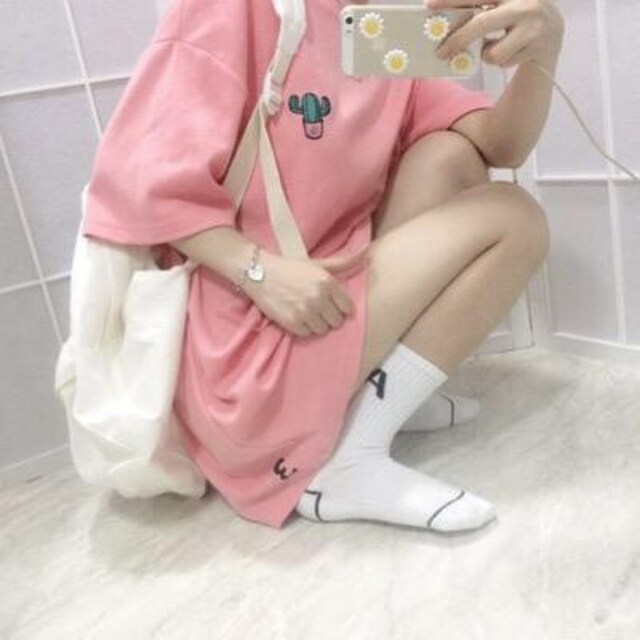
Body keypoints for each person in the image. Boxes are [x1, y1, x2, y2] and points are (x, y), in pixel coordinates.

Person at [81, 0, 564, 531]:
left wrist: (543, 50)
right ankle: (343, 460)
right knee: (514, 218)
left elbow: (501, 144)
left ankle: (363, 402)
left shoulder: (372, 25)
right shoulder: (233, 9)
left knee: (450, 157)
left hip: (320, 299)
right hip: (241, 357)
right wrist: (259, 272)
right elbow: (136, 186)